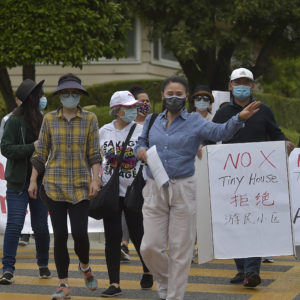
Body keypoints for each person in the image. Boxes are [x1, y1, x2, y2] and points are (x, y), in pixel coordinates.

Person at [134, 75, 261, 300]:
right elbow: (141, 142)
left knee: (181, 250)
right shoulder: (153, 120)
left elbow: (220, 132)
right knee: (149, 247)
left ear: (186, 97)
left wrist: (238, 118)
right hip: (154, 187)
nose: (174, 98)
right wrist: (141, 151)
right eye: (170, 94)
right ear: (162, 96)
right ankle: (165, 280)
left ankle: (173, 296)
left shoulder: (194, 121)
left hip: (183, 187)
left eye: (179, 94)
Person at [211, 67, 294, 288]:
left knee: (254, 221)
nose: (242, 86)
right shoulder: (222, 113)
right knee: (235, 222)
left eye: (246, 82)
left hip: (257, 179)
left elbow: (276, 134)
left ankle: (251, 271)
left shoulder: (263, 110)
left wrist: (285, 142)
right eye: (238, 82)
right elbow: (211, 137)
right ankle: (241, 269)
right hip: (229, 179)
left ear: (252, 86)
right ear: (230, 86)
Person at [28, 73, 101, 300]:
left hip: (80, 186)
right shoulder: (49, 119)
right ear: (59, 96)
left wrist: (96, 179)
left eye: (74, 93)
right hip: (54, 186)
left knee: (80, 234)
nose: (70, 97)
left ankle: (85, 266)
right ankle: (63, 284)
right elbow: (41, 153)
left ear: (79, 95)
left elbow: (94, 153)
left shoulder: (90, 119)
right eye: (66, 93)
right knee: (60, 235)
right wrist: (33, 180)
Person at [99, 91, 153, 297]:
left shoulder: (142, 131)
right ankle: (114, 283)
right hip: (110, 192)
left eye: (133, 107)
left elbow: (150, 157)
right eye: (127, 107)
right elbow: (96, 157)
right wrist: (96, 179)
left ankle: (148, 268)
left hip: (135, 191)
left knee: (138, 234)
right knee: (112, 238)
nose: (132, 111)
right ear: (117, 110)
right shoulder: (103, 131)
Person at [0, 79, 50, 285]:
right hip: (18, 183)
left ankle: (43, 265)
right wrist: (32, 147)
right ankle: (8, 269)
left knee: (40, 226)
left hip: (40, 182)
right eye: (39, 94)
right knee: (14, 225)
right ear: (31, 98)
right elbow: (6, 149)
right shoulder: (13, 121)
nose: (43, 98)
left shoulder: (45, 120)